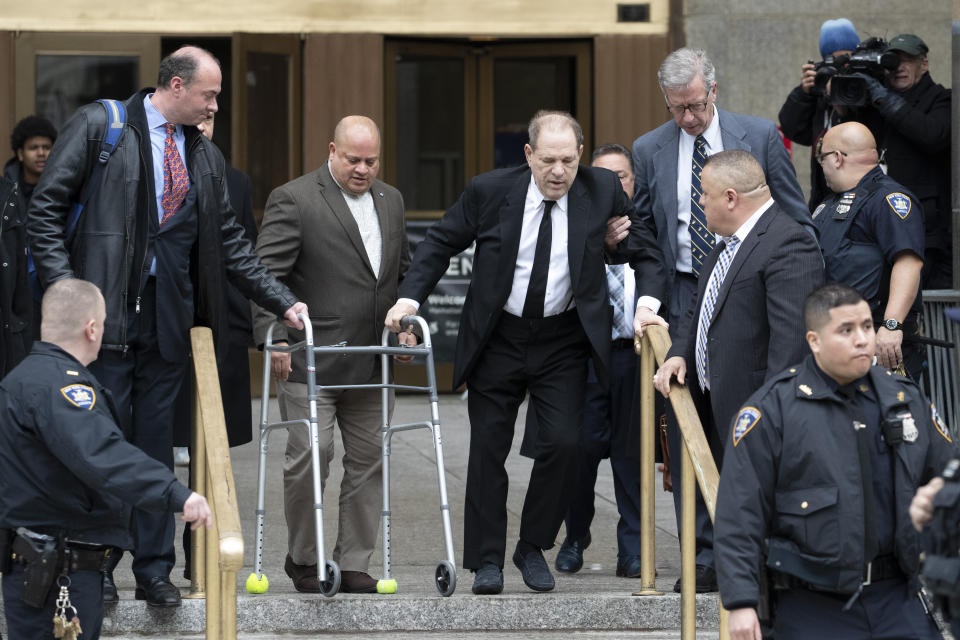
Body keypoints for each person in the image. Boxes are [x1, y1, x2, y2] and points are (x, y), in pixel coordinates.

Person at [26, 45, 307, 607]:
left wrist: (281, 300)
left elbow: (232, 243)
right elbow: (46, 209)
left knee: (156, 452)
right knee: (99, 447)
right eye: (210, 92)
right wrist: (67, 292)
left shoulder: (203, 157)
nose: (215, 103)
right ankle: (96, 565)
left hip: (168, 326)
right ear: (176, 87)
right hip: (98, 324)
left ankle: (155, 569)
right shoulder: (102, 126)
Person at [385, 110, 668, 595]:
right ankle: (487, 560)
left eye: (567, 160)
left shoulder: (602, 190)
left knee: (566, 444)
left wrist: (646, 307)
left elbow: (644, 250)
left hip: (563, 337)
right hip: (499, 337)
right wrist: (409, 301)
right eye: (548, 161)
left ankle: (533, 545)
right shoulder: (490, 191)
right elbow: (439, 243)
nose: (558, 172)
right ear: (528, 155)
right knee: (487, 451)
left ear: (581, 155)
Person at [632, 47, 813, 592]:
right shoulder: (649, 149)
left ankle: (746, 554)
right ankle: (707, 555)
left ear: (713, 90)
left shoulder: (757, 136)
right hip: (688, 290)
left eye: (695, 105)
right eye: (676, 109)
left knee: (741, 421)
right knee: (692, 426)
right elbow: (646, 229)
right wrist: (647, 291)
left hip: (755, 288)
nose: (688, 118)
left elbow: (793, 219)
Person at [715, 283, 953, 640]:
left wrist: (937, 495)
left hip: (896, 599)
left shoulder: (904, 399)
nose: (862, 339)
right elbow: (739, 514)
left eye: (867, 327)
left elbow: (949, 475)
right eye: (846, 330)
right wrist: (740, 602)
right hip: (812, 605)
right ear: (814, 341)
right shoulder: (774, 410)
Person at [0, 279, 213, 640]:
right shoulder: (64, 388)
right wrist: (176, 493)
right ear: (93, 328)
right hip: (59, 570)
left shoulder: (22, 379)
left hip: (39, 565)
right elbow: (102, 453)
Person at [254, 115, 412, 594]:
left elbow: (401, 276)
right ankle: (304, 558)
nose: (363, 169)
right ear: (331, 150)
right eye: (353, 159)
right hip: (310, 358)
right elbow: (263, 275)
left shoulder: (392, 200)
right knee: (311, 453)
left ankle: (354, 562)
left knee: (370, 459)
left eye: (371, 160)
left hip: (371, 360)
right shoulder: (295, 198)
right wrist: (274, 336)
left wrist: (403, 327)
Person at [653, 150, 823, 590]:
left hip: (754, 406)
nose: (698, 207)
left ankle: (754, 579)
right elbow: (698, 311)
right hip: (712, 396)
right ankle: (717, 561)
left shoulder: (787, 241)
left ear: (730, 197)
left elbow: (790, 344)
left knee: (755, 500)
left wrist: (765, 413)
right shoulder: (725, 241)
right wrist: (679, 353)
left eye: (703, 196)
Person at [549, 143, 647, 579]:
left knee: (631, 457)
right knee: (580, 453)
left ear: (633, 183)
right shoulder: (576, 228)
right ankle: (575, 537)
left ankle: (633, 548)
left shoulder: (646, 232)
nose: (613, 185)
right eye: (603, 176)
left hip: (631, 358)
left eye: (621, 177)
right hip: (584, 359)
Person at [172, 111, 258, 575]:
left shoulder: (235, 181)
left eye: (211, 120)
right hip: (162, 330)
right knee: (150, 447)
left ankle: (198, 559)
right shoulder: (151, 172)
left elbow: (242, 259)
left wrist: (243, 336)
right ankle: (148, 560)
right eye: (197, 119)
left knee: (207, 454)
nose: (204, 128)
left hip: (214, 336)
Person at [813, 121, 925, 382]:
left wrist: (892, 325)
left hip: (877, 342)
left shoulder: (888, 199)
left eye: (823, 158)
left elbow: (908, 263)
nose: (822, 167)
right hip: (838, 340)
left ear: (838, 158)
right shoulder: (828, 204)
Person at [859, 34, 952, 289]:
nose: (899, 67)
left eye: (908, 60)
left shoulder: (943, 99)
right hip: (877, 225)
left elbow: (933, 135)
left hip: (926, 232)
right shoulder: (876, 101)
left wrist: (884, 100)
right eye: (893, 60)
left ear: (924, 64)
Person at [778, 18, 862, 212]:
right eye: (834, 60)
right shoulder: (821, 89)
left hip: (861, 195)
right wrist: (804, 93)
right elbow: (793, 129)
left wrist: (845, 104)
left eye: (847, 60)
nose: (842, 68)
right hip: (824, 195)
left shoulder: (865, 87)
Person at [3, 115, 57, 348]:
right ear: (20, 153)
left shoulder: (62, 186)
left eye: (46, 147)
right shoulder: (6, 192)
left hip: (51, 284)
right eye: (33, 147)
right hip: (13, 285)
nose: (41, 153)